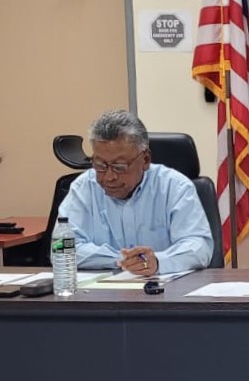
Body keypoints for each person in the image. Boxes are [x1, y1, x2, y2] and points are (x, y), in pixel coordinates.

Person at [58, 110, 212, 277]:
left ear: (145, 160)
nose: (109, 177)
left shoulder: (175, 187)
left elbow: (199, 246)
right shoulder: (84, 187)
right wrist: (125, 260)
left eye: (119, 167)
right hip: (101, 295)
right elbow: (62, 248)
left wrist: (158, 261)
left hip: (164, 295)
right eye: (100, 165)